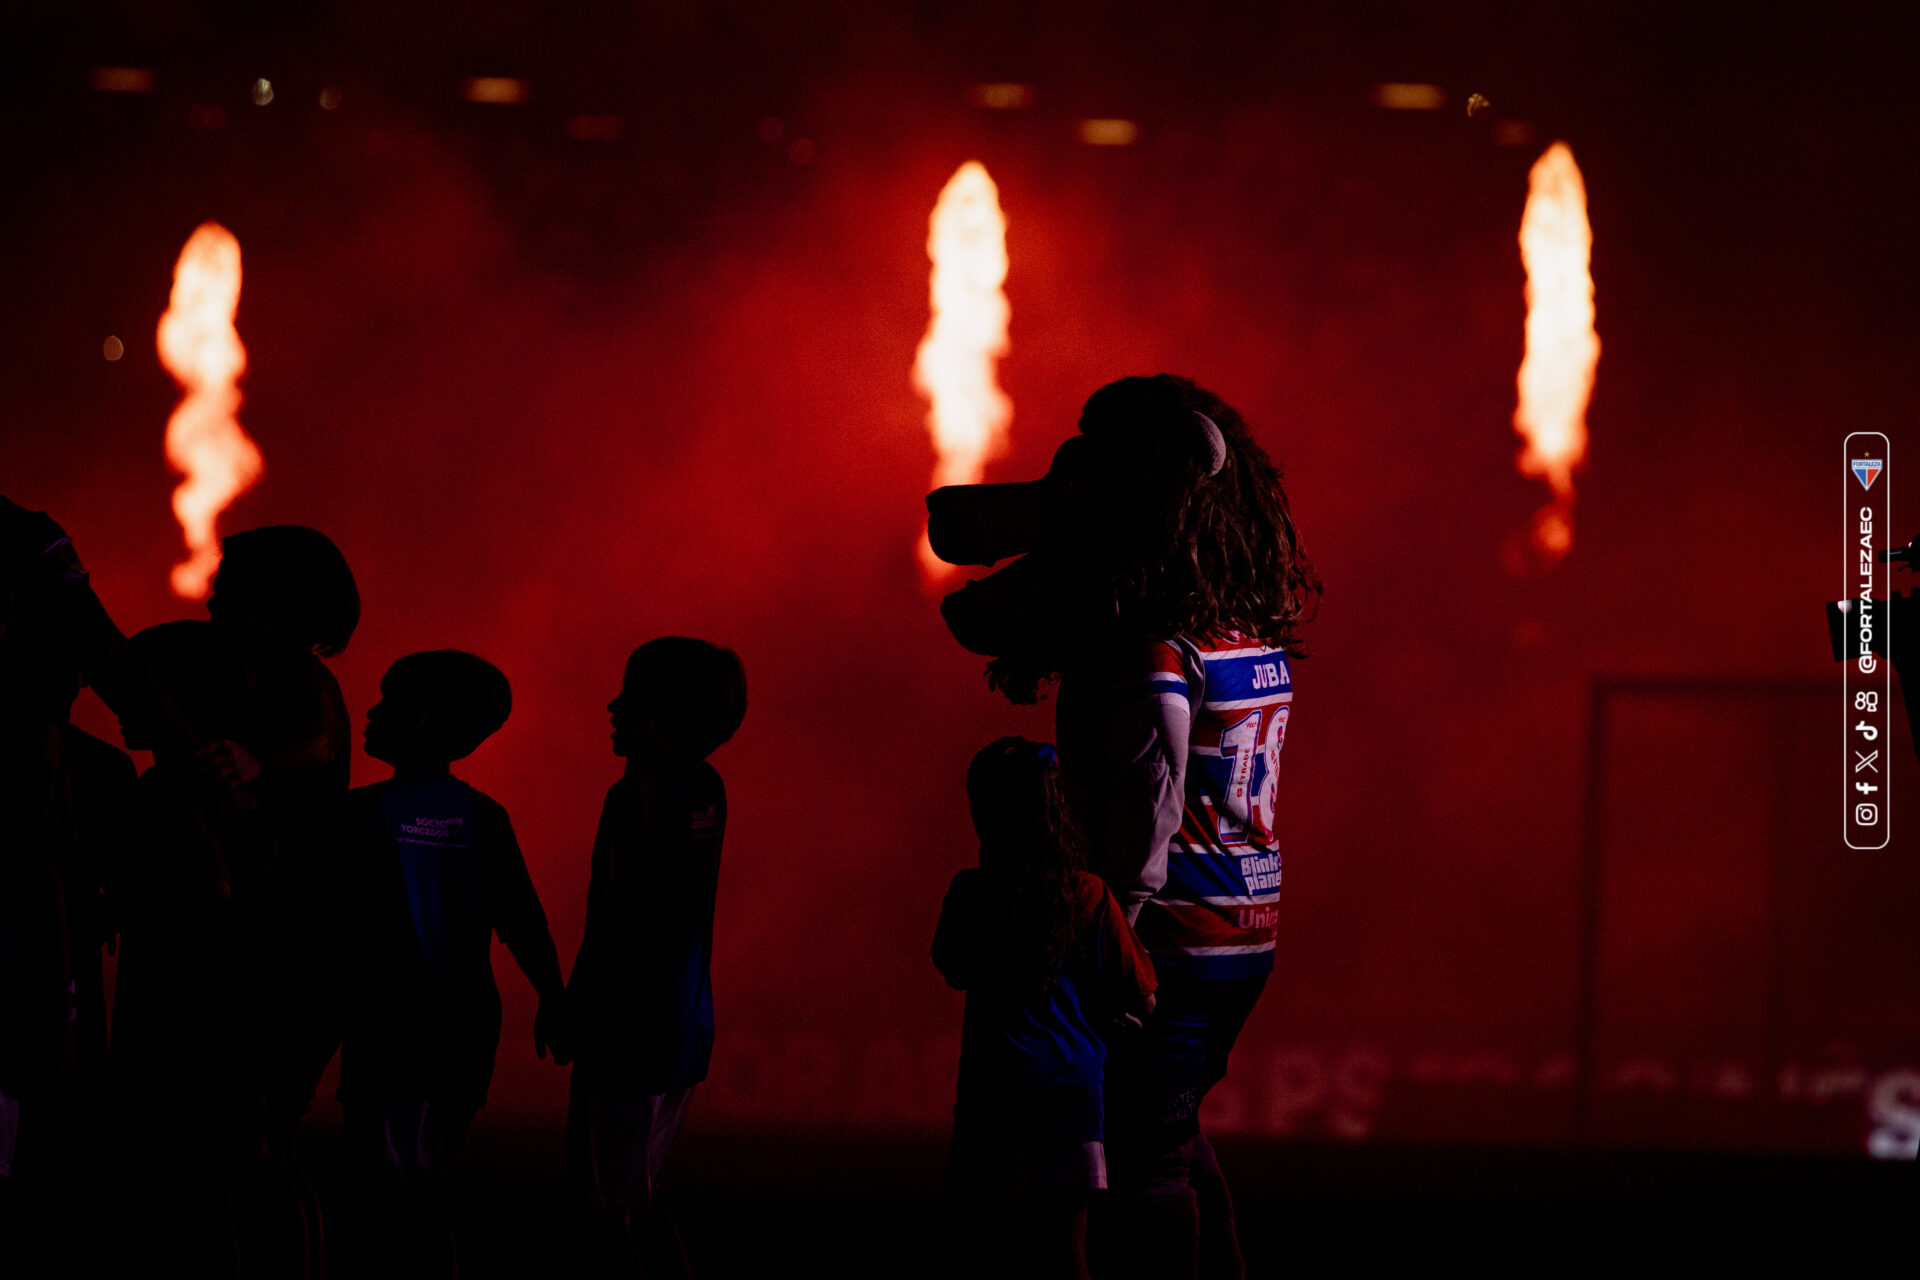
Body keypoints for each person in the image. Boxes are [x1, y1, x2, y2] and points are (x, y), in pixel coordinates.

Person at [337, 649, 566, 1277]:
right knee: (423, 1184)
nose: (370, 711)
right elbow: (524, 917)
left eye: (386, 702)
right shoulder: (485, 817)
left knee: (381, 1195)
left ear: (420, 718)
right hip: (465, 1033)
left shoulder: (358, 814)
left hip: (390, 1034)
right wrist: (553, 994)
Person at [932, 738, 1157, 1280]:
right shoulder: (1089, 894)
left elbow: (952, 968)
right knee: (1065, 1250)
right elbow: (1144, 995)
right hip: (1070, 1094)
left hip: (992, 1091)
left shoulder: (970, 892)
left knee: (979, 1245)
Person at [565, 637, 746, 1279]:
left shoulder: (635, 797)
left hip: (626, 1030)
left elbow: (615, 916)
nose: (613, 706)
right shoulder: (708, 787)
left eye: (629, 693)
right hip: (683, 1028)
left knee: (603, 1207)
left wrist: (573, 1005)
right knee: (637, 1194)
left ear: (668, 710)